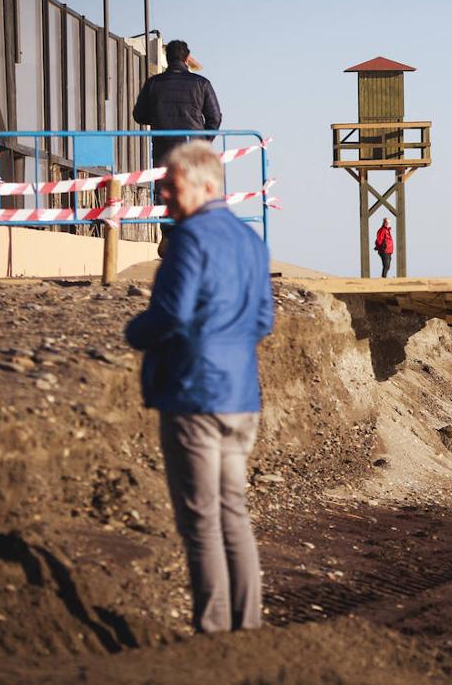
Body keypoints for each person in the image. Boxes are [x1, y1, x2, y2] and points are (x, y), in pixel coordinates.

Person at [124, 141, 273, 634]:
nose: (164, 192)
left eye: (173, 183)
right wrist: (227, 347)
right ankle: (245, 630)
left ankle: (212, 634)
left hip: (193, 396)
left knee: (201, 521)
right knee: (234, 513)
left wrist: (134, 332)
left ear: (208, 184)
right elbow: (264, 319)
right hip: (240, 396)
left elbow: (172, 313)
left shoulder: (189, 239)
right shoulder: (251, 241)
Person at [133, 40, 222, 256]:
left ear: (167, 57)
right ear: (186, 57)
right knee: (196, 188)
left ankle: (169, 234)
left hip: (164, 148)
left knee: (166, 190)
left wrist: (159, 117)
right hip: (193, 149)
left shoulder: (154, 84)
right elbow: (215, 117)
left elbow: (139, 115)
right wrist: (203, 141)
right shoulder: (201, 83)